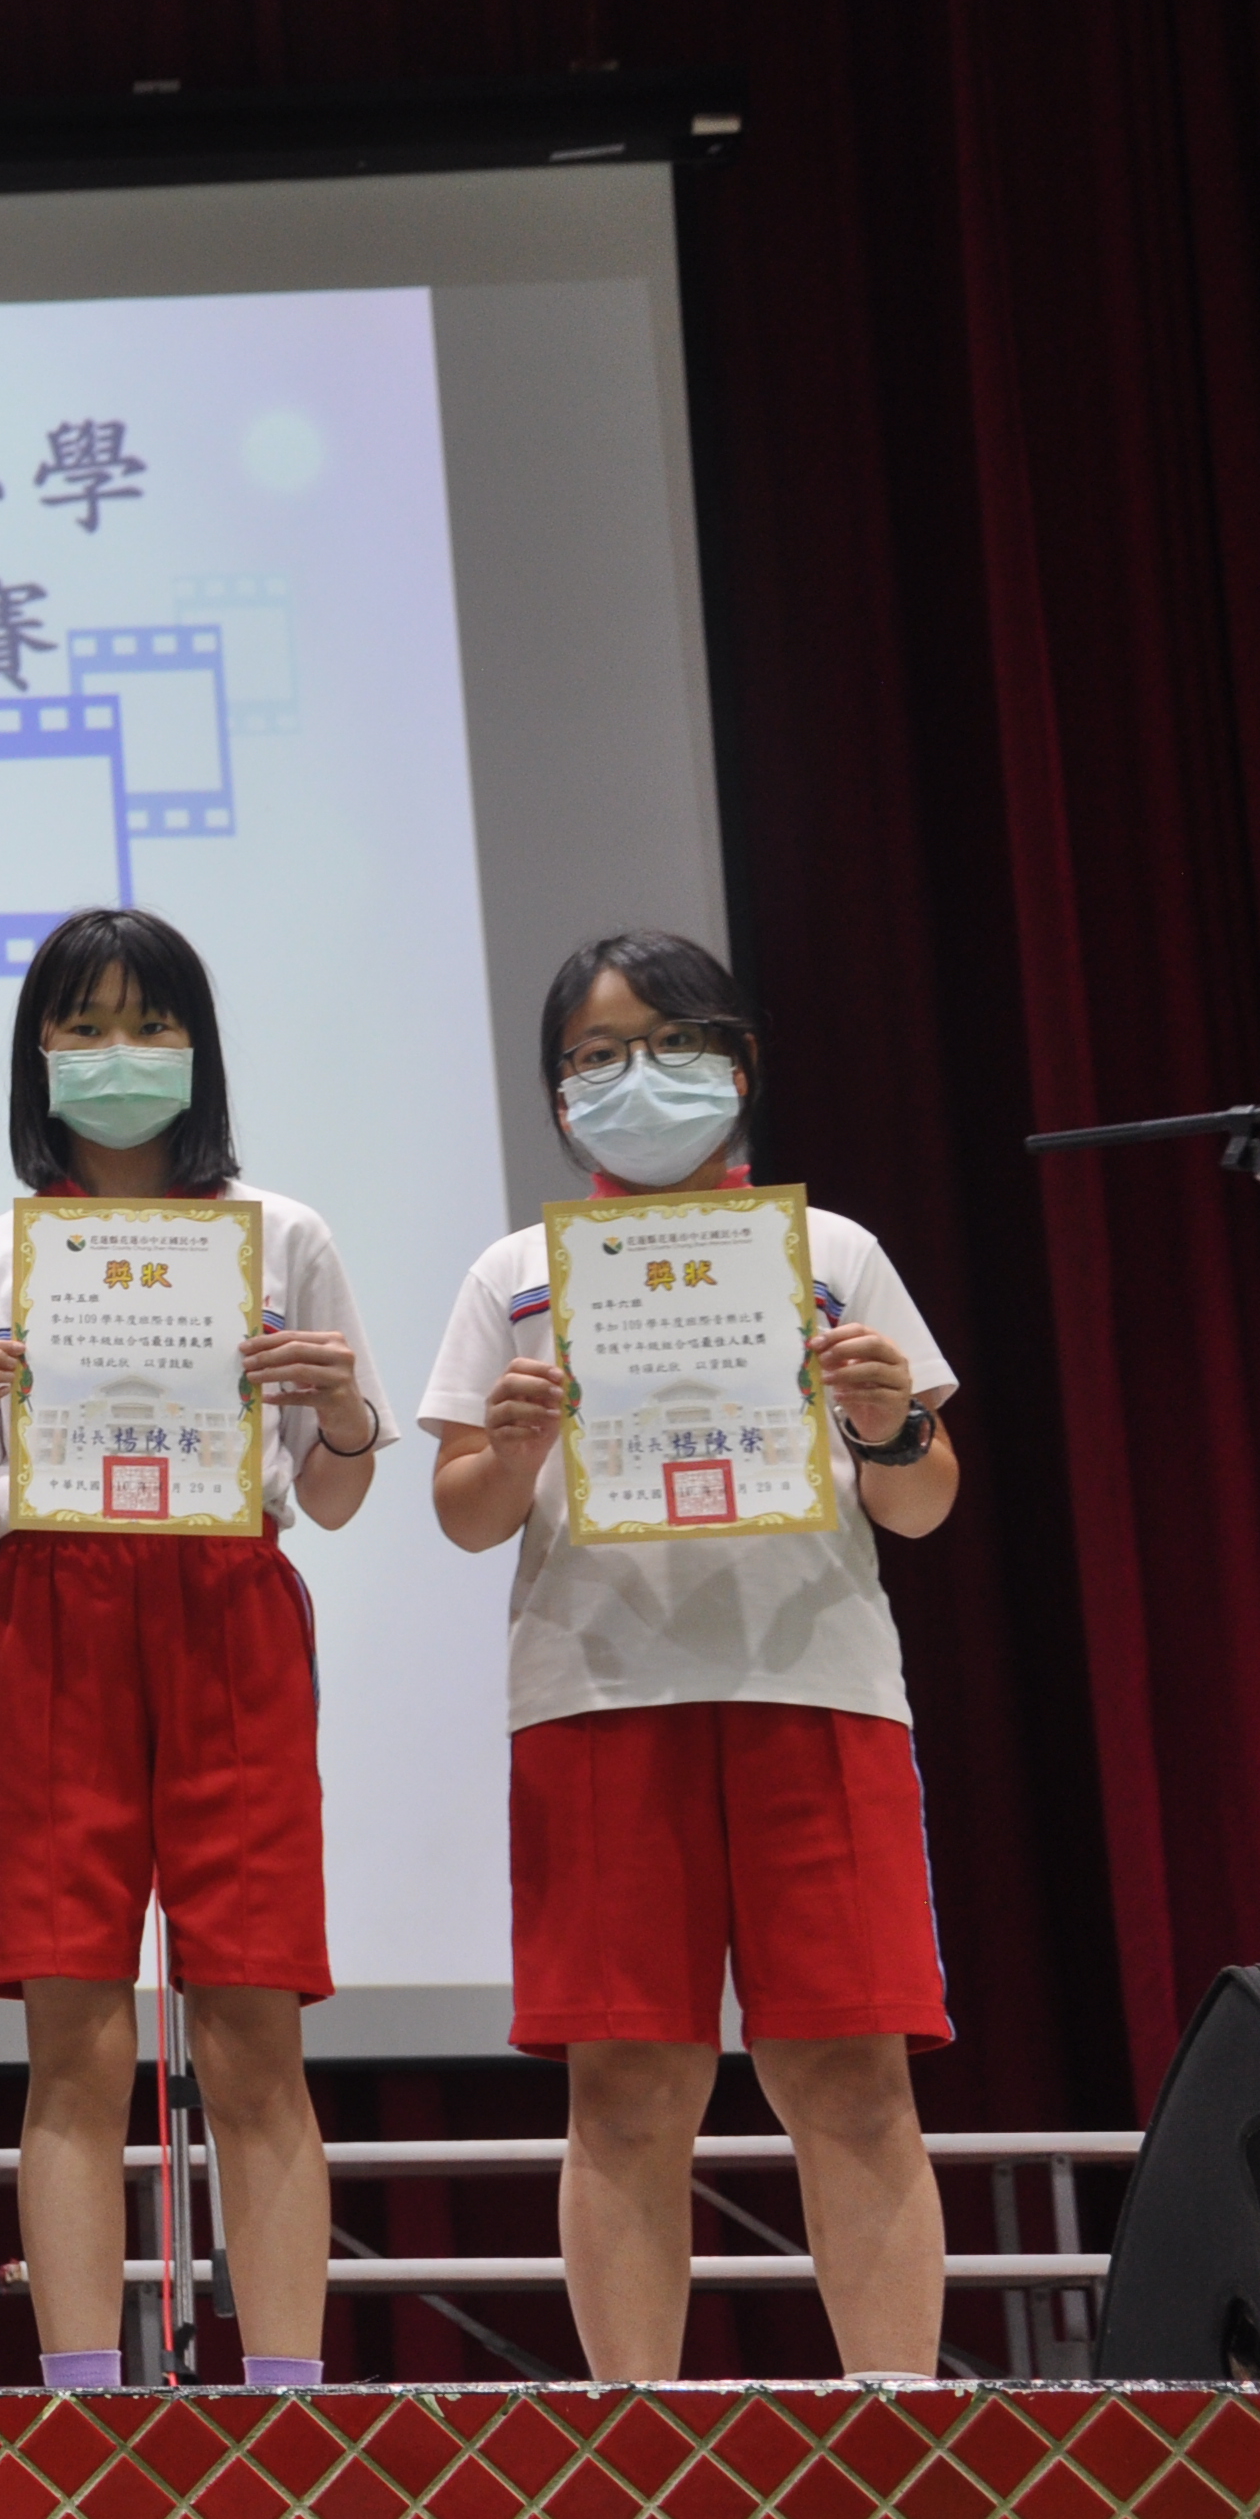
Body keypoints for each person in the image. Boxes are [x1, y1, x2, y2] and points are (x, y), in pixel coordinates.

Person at [420, 929, 960, 2385]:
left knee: (852, 2079)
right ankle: (633, 2447)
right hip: (596, 1699)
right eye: (597, 1056)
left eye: (672, 1046)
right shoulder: (515, 1275)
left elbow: (922, 1502)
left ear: (740, 1064)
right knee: (627, 2088)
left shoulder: (832, 1254)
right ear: (557, 1093)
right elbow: (465, 1513)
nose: (636, 1078)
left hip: (817, 1687)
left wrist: (890, 1423)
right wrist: (511, 1448)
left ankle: (894, 2433)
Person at [0, 909, 387, 2393]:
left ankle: (287, 2405)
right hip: (51, 1618)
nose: (120, 1054)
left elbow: (337, 1497)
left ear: (199, 1049)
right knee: (74, 2043)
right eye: (87, 1027)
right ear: (39, 1054)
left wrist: (342, 1410)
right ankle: (82, 2402)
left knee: (253, 2034)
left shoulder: (284, 1237)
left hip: (232, 1604)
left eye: (151, 1025)